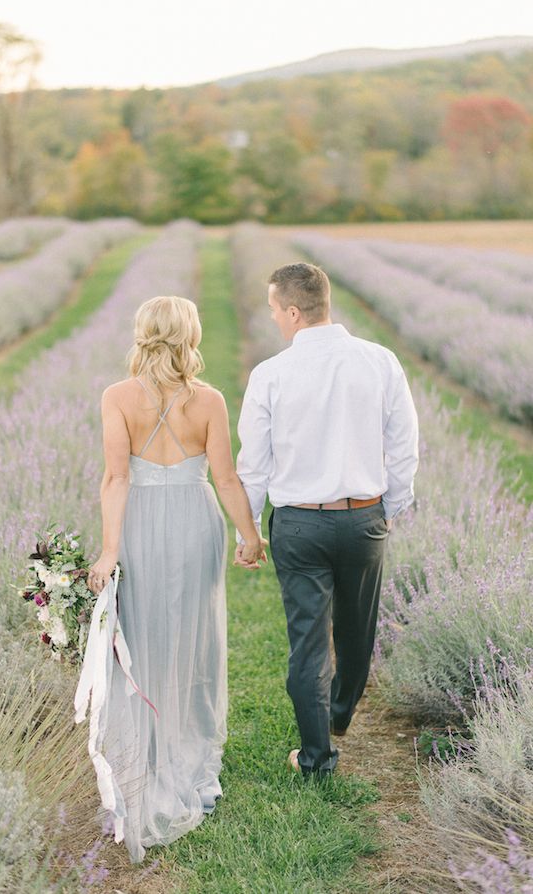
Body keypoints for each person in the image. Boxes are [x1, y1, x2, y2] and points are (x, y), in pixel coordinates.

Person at [86, 296, 266, 862]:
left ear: (142, 334)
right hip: (195, 521)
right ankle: (184, 752)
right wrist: (249, 536)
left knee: (140, 639)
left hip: (139, 521)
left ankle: (148, 757)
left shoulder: (118, 397)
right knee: (191, 637)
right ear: (190, 334)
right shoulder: (207, 400)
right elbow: (227, 477)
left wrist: (109, 551)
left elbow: (117, 477)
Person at [235, 263, 419, 778]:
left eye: (274, 310)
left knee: (308, 641)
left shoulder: (270, 374)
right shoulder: (380, 362)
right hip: (364, 519)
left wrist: (247, 531)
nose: (273, 319)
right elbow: (404, 445)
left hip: (298, 524)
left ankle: (316, 757)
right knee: (358, 633)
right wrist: (391, 507)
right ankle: (339, 715)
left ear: (293, 311)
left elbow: (254, 463)